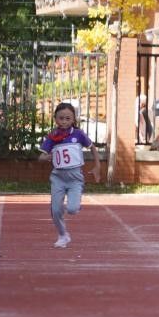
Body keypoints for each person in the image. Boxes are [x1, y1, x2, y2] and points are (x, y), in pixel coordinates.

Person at [38, 102, 102, 249]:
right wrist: (47, 157)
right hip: (58, 178)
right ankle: (62, 235)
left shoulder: (78, 134)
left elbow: (92, 148)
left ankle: (75, 202)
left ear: (73, 119)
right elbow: (40, 157)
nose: (64, 122)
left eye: (68, 118)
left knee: (72, 209)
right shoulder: (52, 137)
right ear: (55, 119)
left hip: (75, 180)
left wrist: (97, 166)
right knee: (55, 210)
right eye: (61, 118)